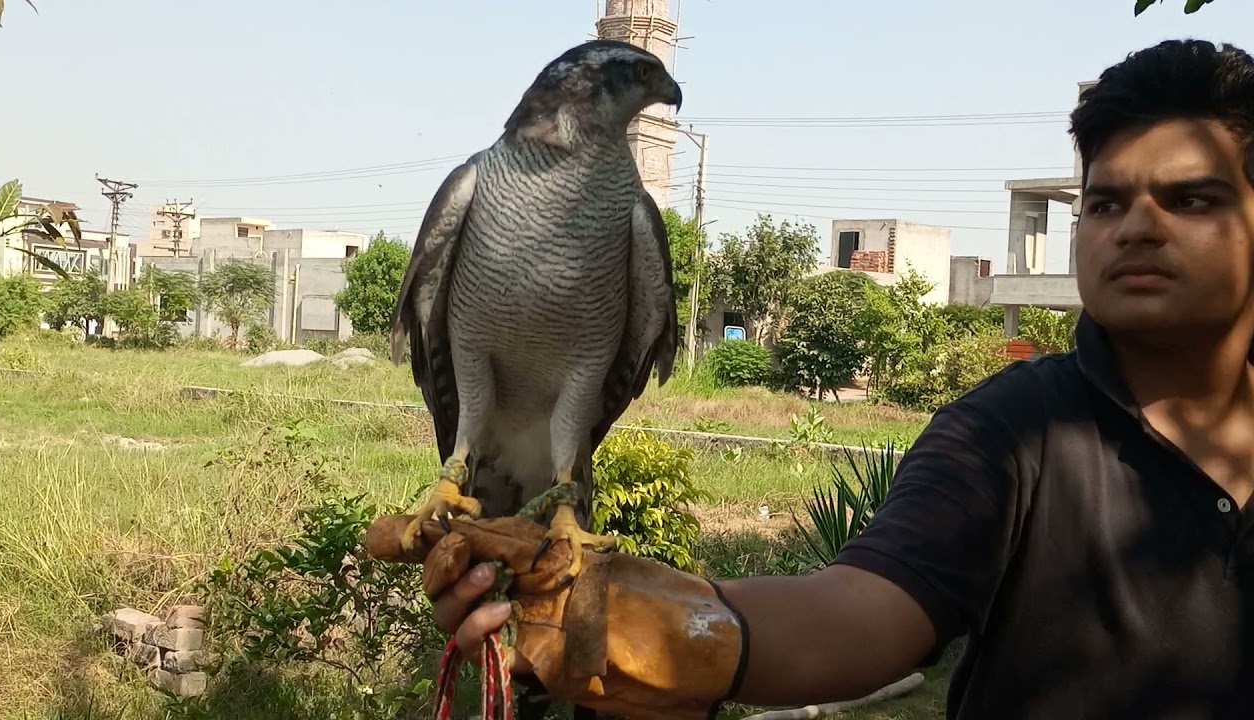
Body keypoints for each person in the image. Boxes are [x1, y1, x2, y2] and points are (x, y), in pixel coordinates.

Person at [425, 38, 1254, 718]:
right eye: (1104, 205)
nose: (1137, 228)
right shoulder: (1008, 434)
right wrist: (659, 628)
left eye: (1191, 201)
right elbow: (862, 612)